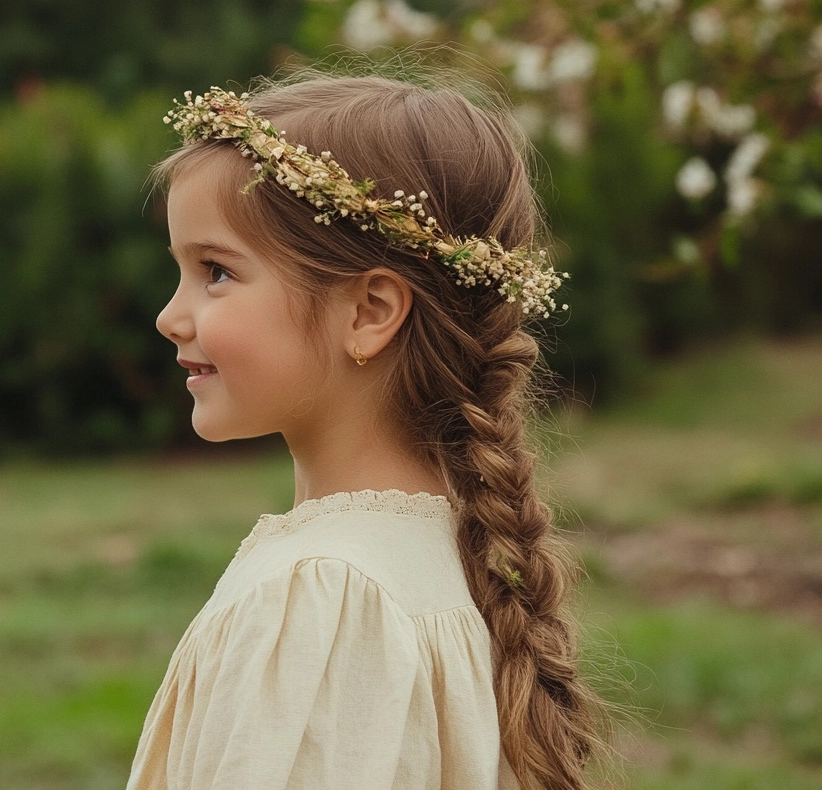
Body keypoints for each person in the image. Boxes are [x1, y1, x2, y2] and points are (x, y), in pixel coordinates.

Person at [128, 70, 606, 790]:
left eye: (216, 272)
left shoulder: (323, 597)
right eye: (182, 272)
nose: (171, 315)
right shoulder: (448, 560)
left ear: (369, 311)